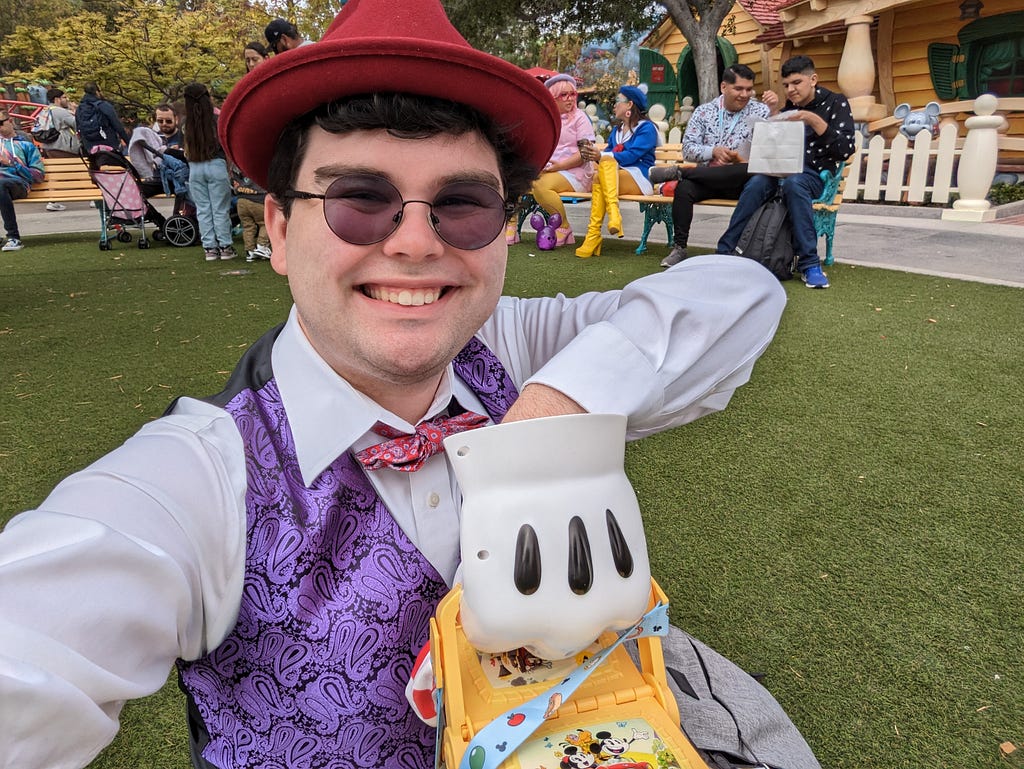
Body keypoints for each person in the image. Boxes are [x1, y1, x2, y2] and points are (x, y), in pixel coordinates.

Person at [0, 1, 787, 768]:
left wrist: (557, 407)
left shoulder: (508, 347)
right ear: (278, 229)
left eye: (463, 204)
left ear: (504, 229)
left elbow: (737, 293)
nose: (415, 241)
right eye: (359, 200)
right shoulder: (200, 478)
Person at [716, 55, 855, 289]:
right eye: (786, 85)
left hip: (814, 176)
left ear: (813, 79)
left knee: (795, 184)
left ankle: (810, 264)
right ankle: (724, 251)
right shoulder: (790, 108)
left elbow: (845, 150)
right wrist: (771, 120)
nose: (790, 90)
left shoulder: (836, 102)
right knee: (757, 183)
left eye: (796, 83)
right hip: (780, 171)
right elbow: (776, 145)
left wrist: (811, 120)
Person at [649, 64, 772, 268]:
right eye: (739, 89)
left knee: (754, 171)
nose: (745, 94)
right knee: (684, 188)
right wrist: (712, 151)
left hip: (743, 181)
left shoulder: (761, 111)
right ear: (724, 87)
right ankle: (679, 247)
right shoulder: (704, 112)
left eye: (749, 89)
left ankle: (682, 172)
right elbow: (688, 149)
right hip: (708, 180)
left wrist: (738, 159)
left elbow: (768, 152)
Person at [574, 84, 658, 258]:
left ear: (630, 105)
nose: (614, 105)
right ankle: (610, 219)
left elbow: (632, 155)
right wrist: (595, 155)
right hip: (614, 176)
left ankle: (594, 234)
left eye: (618, 100)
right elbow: (609, 156)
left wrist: (602, 155)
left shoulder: (647, 128)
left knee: (603, 168)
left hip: (640, 177)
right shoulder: (616, 131)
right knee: (600, 173)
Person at [512, 73, 595, 248]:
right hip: (552, 170)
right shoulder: (548, 119)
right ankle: (511, 225)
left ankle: (564, 227)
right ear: (553, 98)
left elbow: (585, 154)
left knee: (540, 185)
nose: (569, 99)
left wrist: (558, 166)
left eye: (572, 94)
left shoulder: (581, 119)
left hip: (576, 173)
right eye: (563, 95)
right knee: (514, 177)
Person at [182, 82, 235, 261]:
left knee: (203, 209)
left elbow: (187, 150)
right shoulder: (217, 120)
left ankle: (210, 249)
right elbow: (226, 147)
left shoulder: (186, 123)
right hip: (217, 164)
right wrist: (229, 169)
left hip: (195, 167)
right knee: (220, 209)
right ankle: (225, 247)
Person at [0, 107, 45, 252]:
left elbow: (38, 175)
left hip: (19, 184)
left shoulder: (26, 145)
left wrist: (12, 163)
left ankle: (13, 237)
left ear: (10, 121)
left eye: (0, 123)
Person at [229, 161, 271, 261]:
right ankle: (262, 245)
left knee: (248, 226)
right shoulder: (257, 164)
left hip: (241, 200)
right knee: (265, 223)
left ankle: (249, 251)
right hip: (258, 199)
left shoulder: (235, 165)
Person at [76, 82, 131, 154]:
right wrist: (129, 143)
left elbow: (78, 128)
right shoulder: (103, 105)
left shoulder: (80, 108)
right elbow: (118, 126)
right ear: (97, 92)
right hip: (108, 144)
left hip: (89, 147)